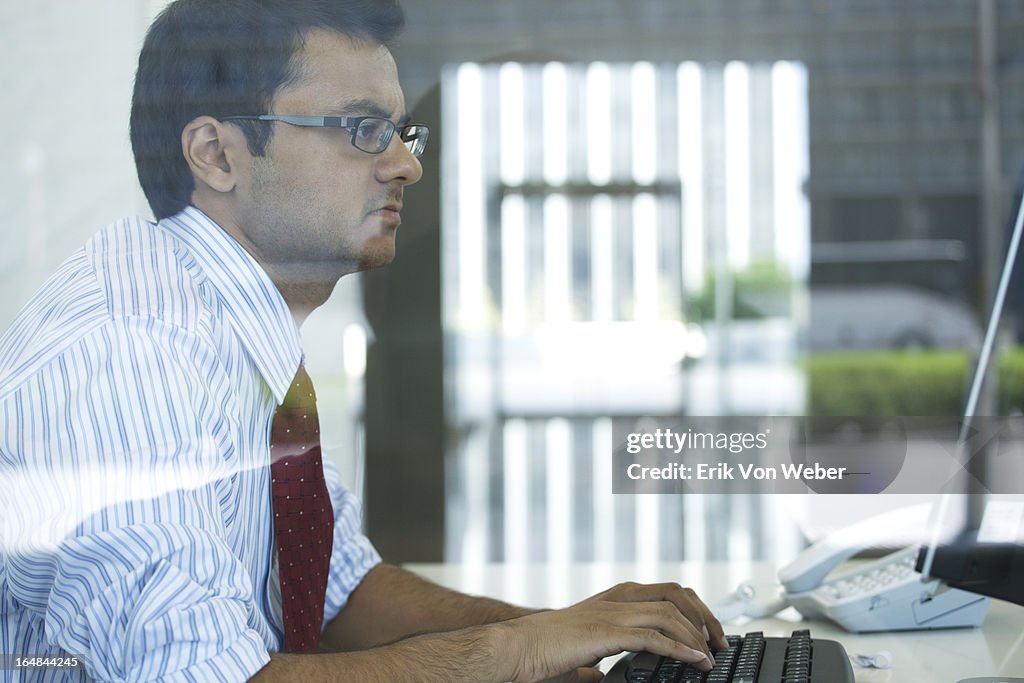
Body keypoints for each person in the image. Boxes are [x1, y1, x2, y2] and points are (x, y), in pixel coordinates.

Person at [0, 1, 727, 681]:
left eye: (402, 133)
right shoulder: (130, 352)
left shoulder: (234, 329)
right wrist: (519, 646)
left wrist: (574, 632)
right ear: (216, 155)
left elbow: (338, 593)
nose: (407, 165)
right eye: (361, 129)